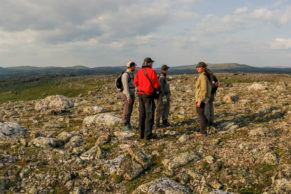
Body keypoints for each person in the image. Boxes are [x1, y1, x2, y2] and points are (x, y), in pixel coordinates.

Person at [134, 57, 160, 140]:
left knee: (142, 114)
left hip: (140, 94)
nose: (152, 64)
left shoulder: (139, 71)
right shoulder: (152, 71)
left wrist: (141, 86)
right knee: (149, 114)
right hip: (148, 95)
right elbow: (156, 84)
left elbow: (135, 83)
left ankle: (141, 134)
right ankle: (148, 135)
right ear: (149, 63)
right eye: (151, 63)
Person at [195, 61, 212, 136]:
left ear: (203, 68)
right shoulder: (203, 75)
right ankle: (204, 129)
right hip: (202, 98)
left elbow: (204, 90)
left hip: (201, 99)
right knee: (201, 114)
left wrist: (200, 101)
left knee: (201, 114)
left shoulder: (203, 77)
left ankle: (203, 131)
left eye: (199, 67)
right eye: (197, 67)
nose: (197, 68)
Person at [122, 61, 137, 130]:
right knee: (127, 110)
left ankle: (128, 123)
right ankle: (125, 124)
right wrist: (128, 97)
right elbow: (126, 87)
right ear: (131, 66)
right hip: (127, 95)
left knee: (130, 110)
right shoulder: (126, 75)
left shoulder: (131, 74)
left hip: (131, 94)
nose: (135, 67)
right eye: (134, 66)